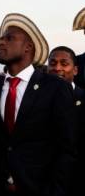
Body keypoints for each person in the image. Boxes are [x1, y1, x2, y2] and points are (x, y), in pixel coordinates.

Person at [0, 13, 76, 196]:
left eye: (9, 38)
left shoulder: (55, 88)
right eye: (1, 39)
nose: (1, 43)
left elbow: (67, 148)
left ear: (28, 47)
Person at [47, 46, 85, 196]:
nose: (57, 68)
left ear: (75, 70)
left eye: (64, 64)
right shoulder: (35, 100)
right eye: (52, 63)